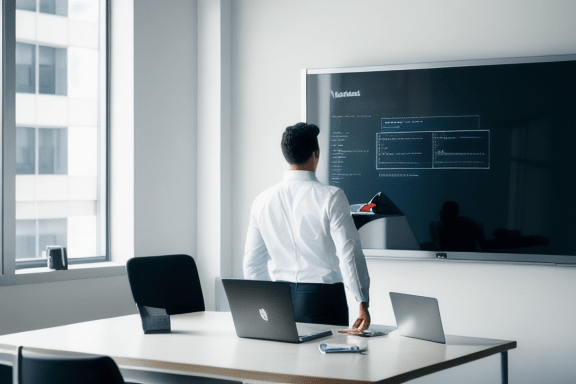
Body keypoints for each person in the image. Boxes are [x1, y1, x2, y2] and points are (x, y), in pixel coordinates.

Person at [243, 122, 370, 333]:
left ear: (287, 156)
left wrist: (267, 304)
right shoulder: (331, 196)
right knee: (328, 363)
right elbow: (349, 252)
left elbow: (252, 264)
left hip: (279, 300)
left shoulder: (262, 200)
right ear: (315, 154)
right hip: (323, 299)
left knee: (286, 365)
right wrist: (362, 300)